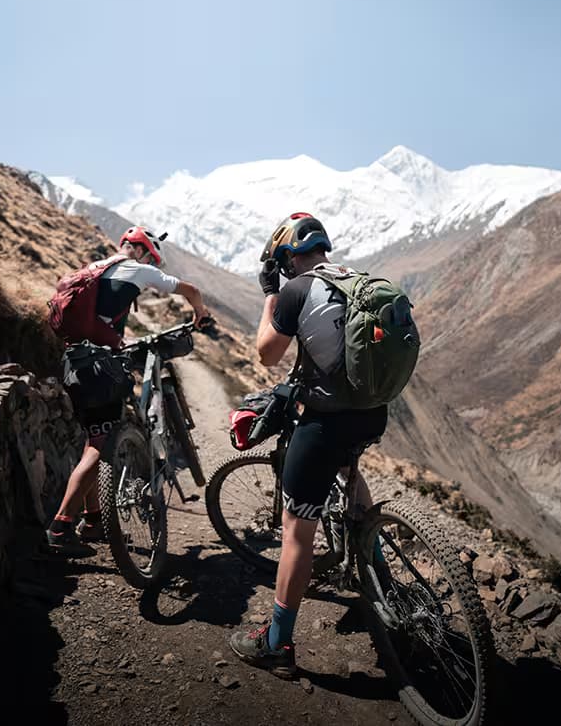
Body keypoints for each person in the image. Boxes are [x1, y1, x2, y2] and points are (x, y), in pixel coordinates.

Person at [229, 213, 388, 677]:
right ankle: (383, 585)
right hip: (373, 412)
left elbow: (266, 353)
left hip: (326, 424)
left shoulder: (297, 290)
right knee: (350, 474)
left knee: (297, 531)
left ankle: (277, 643)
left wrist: (270, 295)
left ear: (286, 257)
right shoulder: (357, 279)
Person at [46, 225, 210, 557]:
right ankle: (60, 528)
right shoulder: (138, 269)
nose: (150, 263)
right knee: (100, 447)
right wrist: (200, 314)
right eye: (150, 258)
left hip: (75, 362)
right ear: (143, 251)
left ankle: (93, 521)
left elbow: (95, 319)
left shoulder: (95, 268)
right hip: (100, 368)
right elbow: (190, 290)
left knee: (93, 441)